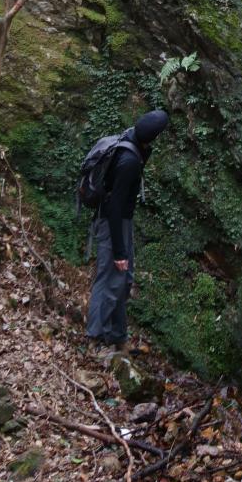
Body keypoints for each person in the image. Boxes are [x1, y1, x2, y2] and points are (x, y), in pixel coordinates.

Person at [86, 109, 169, 351]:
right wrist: (119, 252)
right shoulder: (129, 162)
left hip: (123, 221)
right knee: (109, 281)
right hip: (112, 221)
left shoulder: (133, 139)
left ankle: (117, 336)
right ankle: (94, 339)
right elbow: (114, 206)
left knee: (124, 279)